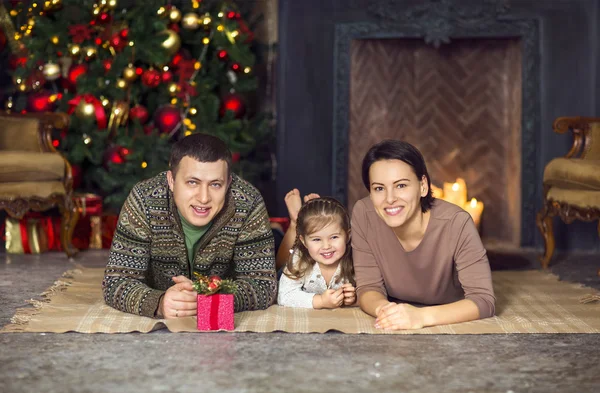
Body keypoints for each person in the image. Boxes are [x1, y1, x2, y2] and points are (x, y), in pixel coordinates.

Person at [102, 133, 277, 319]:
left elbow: (264, 284)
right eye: (192, 182)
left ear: (228, 184)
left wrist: (211, 297)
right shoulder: (144, 200)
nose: (203, 198)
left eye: (216, 184)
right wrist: (159, 303)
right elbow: (116, 281)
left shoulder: (248, 202)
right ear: (171, 180)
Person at [352, 140, 495, 330]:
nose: (389, 198)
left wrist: (420, 316)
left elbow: (484, 300)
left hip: (449, 312)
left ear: (423, 186)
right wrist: (387, 311)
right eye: (379, 188)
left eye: (401, 186)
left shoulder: (456, 223)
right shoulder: (364, 214)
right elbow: (368, 287)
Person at [276, 190, 356, 309]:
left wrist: (355, 298)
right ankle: (295, 222)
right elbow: (284, 295)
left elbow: (371, 290)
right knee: (280, 268)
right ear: (304, 242)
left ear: (348, 236)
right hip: (292, 265)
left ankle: (310, 217)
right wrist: (320, 301)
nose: (326, 246)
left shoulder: (356, 257)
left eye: (334, 237)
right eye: (317, 239)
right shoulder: (300, 258)